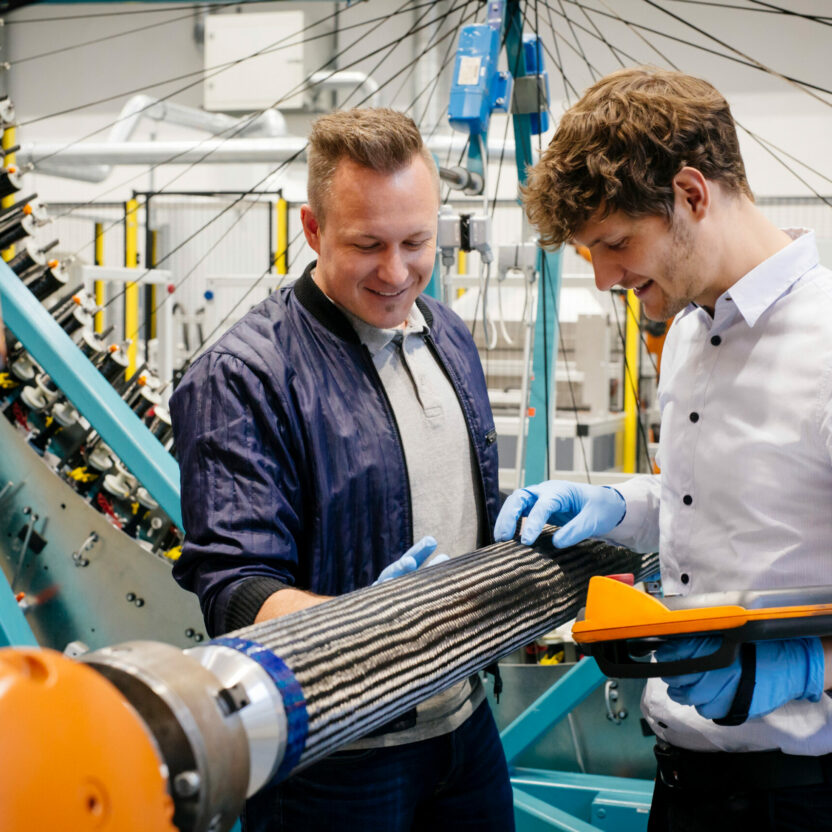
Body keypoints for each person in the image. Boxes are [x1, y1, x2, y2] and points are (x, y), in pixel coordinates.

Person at [496, 67, 832, 831]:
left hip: (801, 796)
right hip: (682, 784)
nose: (607, 278)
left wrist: (809, 670)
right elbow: (722, 503)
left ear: (691, 193)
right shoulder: (687, 330)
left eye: (615, 244)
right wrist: (620, 504)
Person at [170, 108, 513, 832]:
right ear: (314, 230)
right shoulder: (244, 375)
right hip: (337, 757)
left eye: (417, 242)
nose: (396, 273)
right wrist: (368, 626)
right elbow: (234, 588)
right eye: (368, 246)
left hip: (464, 728)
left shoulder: (447, 336)